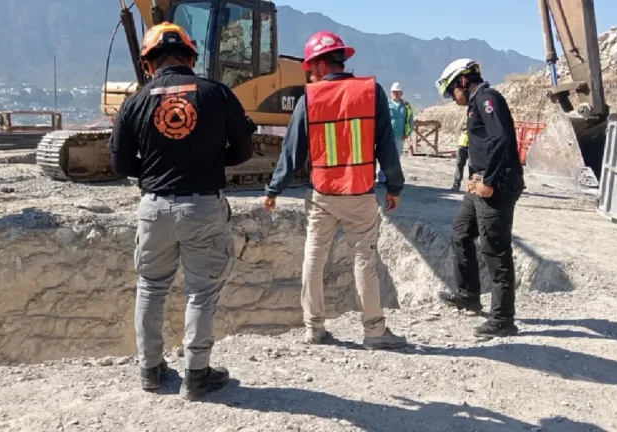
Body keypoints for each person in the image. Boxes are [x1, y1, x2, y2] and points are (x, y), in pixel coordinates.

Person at [109, 22, 256, 400]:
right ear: (191, 57)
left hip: (153, 207)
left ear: (148, 64)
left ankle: (150, 369)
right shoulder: (217, 93)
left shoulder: (135, 101)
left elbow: (121, 164)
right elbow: (243, 151)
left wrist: (157, 172)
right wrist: (207, 162)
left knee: (151, 288)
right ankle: (196, 374)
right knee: (201, 292)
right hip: (202, 206)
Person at [262, 30, 407, 349]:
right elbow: (386, 145)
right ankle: (374, 331)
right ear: (341, 60)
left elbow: (292, 151)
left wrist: (274, 190)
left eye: (310, 67)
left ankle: (313, 327)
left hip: (323, 195)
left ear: (318, 65)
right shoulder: (372, 92)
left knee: (314, 258)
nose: (309, 73)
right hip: (360, 194)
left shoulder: (309, 99)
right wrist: (394, 186)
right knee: (365, 260)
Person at [434, 58, 525, 338]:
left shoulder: (488, 99)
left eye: (452, 91)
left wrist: (489, 180)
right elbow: (483, 145)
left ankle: (503, 319)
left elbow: (503, 140)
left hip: (496, 186)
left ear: (463, 80)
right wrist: (473, 178)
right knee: (461, 232)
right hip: (479, 185)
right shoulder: (475, 103)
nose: (452, 98)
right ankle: (468, 294)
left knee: (495, 249)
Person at [378, 82, 414, 184]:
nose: (395, 94)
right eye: (394, 92)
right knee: (385, 157)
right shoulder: (386, 105)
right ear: (390, 93)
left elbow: (410, 120)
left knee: (396, 159)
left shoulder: (406, 106)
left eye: (397, 92)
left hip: (400, 137)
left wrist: (407, 133)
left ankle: (392, 179)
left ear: (401, 93)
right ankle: (382, 179)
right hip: (387, 136)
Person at [452, 115, 469, 190]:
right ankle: (456, 184)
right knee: (459, 164)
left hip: (474, 145)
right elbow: (458, 128)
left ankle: (472, 187)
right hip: (462, 143)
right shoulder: (466, 116)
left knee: (473, 166)